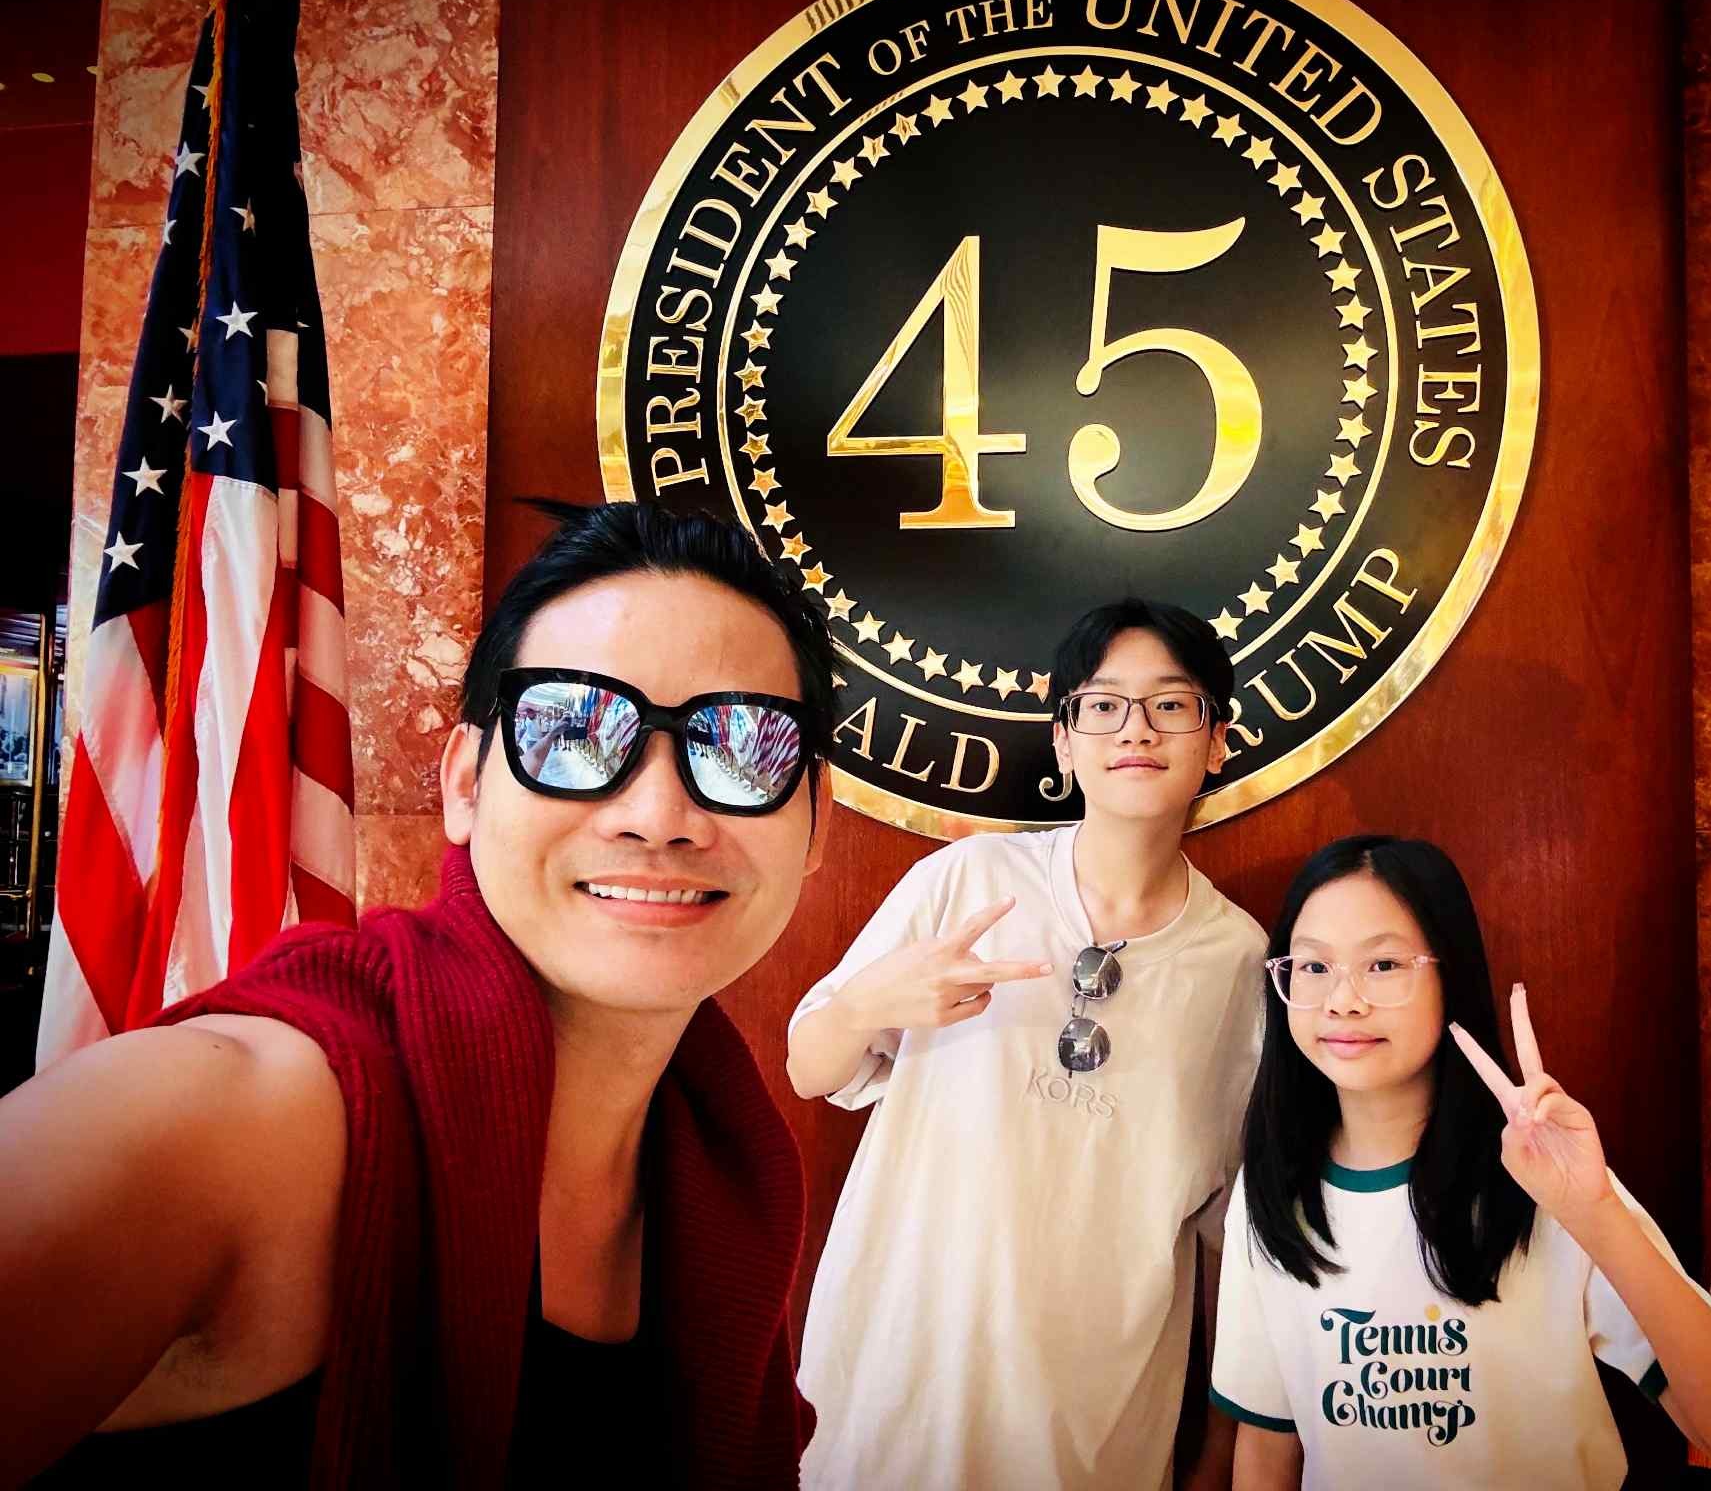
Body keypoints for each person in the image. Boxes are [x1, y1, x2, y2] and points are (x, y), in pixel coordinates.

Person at [0, 504, 832, 1488]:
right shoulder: (232, 1117)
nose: (657, 816)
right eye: (571, 730)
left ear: (814, 825)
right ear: (465, 784)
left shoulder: (717, 1177)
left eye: (742, 747)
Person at [786, 598, 1263, 1490]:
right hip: (899, 1383)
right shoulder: (969, 879)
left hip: (1096, 1423)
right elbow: (808, 1068)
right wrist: (870, 1005)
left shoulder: (1239, 960)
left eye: (1171, 704)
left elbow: (1226, 1236)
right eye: (1104, 705)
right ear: (1063, 742)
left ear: (1217, 741)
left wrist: (1219, 1449)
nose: (1137, 729)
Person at [1211, 835, 1711, 1490]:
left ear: (1452, 977)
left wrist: (1593, 1213)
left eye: (1383, 964)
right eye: (1313, 966)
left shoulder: (1541, 1179)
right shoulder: (1272, 1195)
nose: (1342, 1000)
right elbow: (1267, 1449)